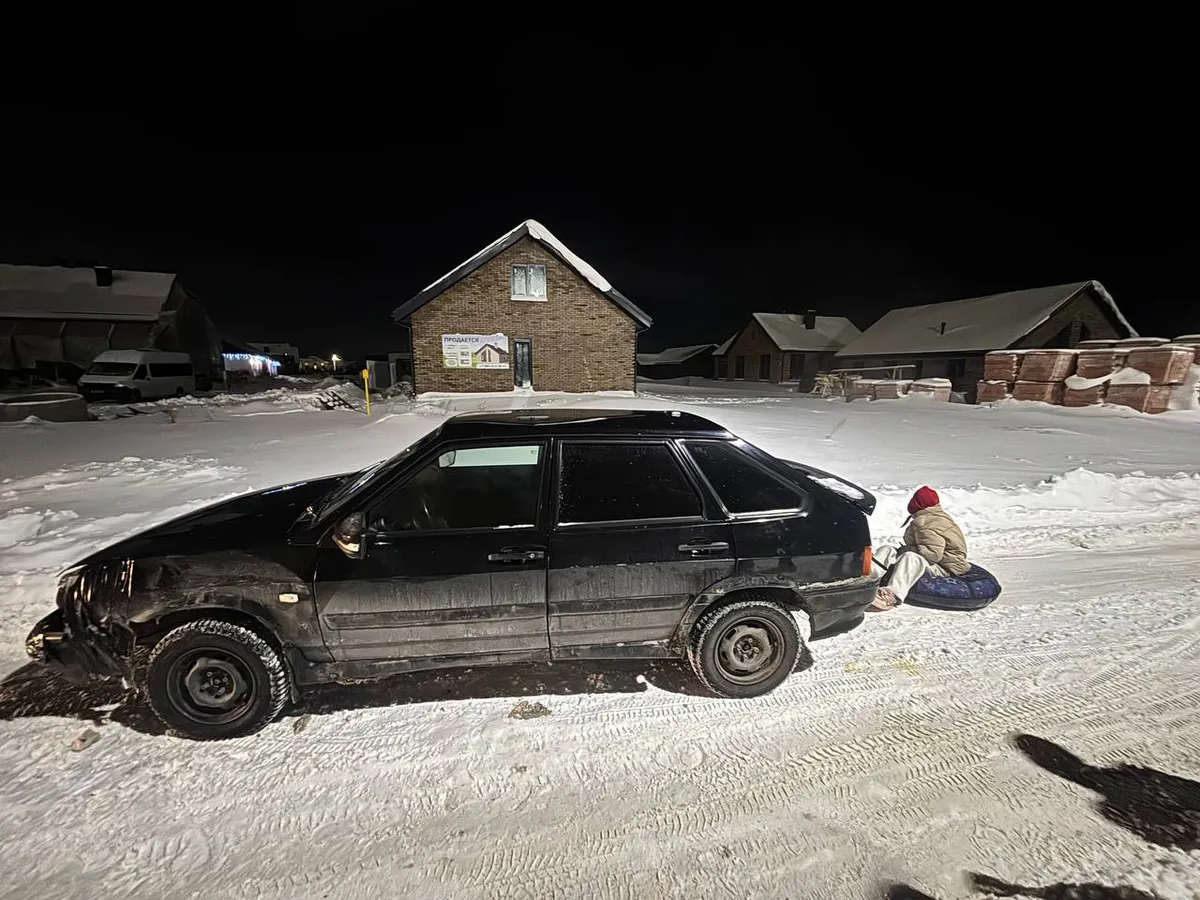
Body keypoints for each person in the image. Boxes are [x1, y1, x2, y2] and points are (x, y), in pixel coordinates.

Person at [869, 486, 969, 611]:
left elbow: (932, 555)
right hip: (936, 561)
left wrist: (907, 550)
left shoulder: (927, 522)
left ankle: (891, 595)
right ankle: (867, 576)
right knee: (888, 549)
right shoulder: (931, 516)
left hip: (945, 567)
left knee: (910, 557)